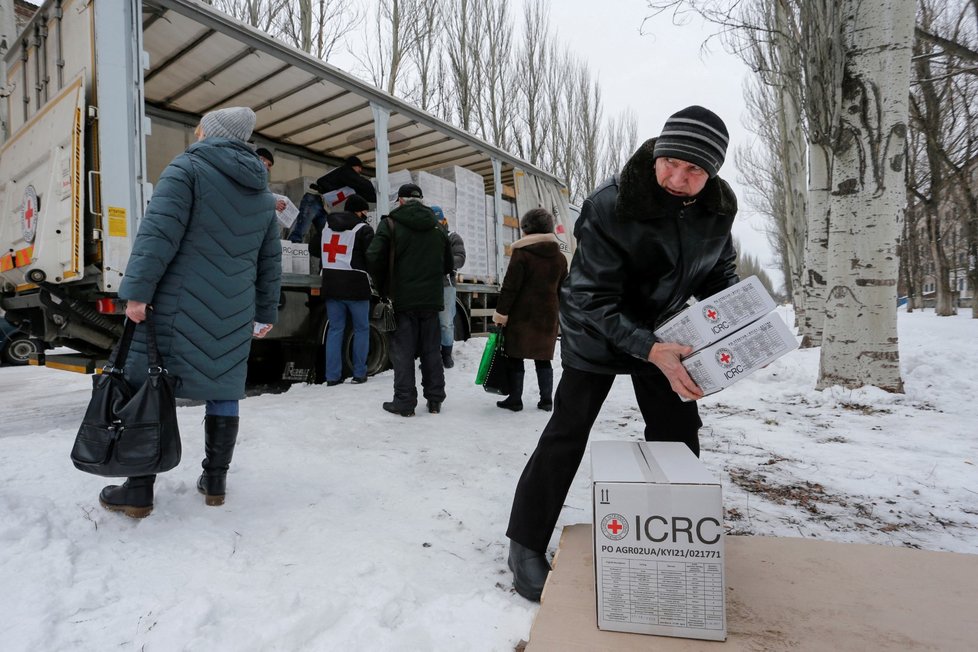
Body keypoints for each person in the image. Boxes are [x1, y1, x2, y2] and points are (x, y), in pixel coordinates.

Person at [505, 106, 738, 601]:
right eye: (670, 161)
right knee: (568, 431)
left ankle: (678, 537)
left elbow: (718, 271)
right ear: (656, 153)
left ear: (712, 174)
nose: (677, 177)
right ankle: (524, 541)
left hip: (666, 334)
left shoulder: (720, 207)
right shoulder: (611, 204)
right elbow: (590, 296)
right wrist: (648, 347)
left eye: (693, 170)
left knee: (678, 432)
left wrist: (735, 324)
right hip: (598, 331)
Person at [99, 106, 282, 519]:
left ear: (210, 131)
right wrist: (264, 310)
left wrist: (137, 293)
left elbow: (158, 235)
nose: (196, 131)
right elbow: (269, 259)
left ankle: (139, 490)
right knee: (224, 388)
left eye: (201, 126)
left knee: (149, 386)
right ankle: (215, 481)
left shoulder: (187, 169)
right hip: (233, 309)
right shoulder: (261, 190)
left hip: (178, 305)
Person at [366, 183, 452, 417]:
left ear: (401, 201)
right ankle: (435, 400)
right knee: (431, 351)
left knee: (402, 352)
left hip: (401, 300)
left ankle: (404, 402)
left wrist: (383, 283)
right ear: (421, 200)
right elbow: (449, 264)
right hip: (431, 301)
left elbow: (373, 257)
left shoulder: (390, 224)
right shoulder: (437, 226)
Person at [491, 208, 568, 412]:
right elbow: (564, 289)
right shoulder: (560, 258)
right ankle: (546, 401)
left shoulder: (522, 255)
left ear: (527, 229)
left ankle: (515, 399)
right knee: (543, 359)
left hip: (521, 317)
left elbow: (510, 287)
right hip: (547, 317)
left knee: (516, 357)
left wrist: (501, 314)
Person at [320, 195, 375, 386]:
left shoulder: (326, 226)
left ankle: (332, 377)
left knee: (335, 330)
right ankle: (359, 374)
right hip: (356, 286)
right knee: (361, 329)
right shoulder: (363, 229)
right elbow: (373, 256)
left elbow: (313, 248)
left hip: (331, 284)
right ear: (360, 211)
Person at [289, 155, 377, 243]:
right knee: (301, 230)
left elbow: (364, 193)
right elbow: (360, 182)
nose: (360, 171)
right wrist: (373, 184)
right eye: (359, 168)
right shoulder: (345, 171)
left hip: (324, 206)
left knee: (326, 234)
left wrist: (380, 197)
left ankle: (320, 254)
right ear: (353, 166)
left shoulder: (351, 183)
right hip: (314, 199)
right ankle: (291, 250)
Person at [433, 206, 466, 369]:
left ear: (443, 220)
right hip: (428, 285)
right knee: (430, 322)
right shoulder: (427, 238)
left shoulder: (452, 237)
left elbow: (460, 258)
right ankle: (431, 353)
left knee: (446, 322)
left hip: (446, 285)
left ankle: (446, 354)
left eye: (438, 221)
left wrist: (441, 262)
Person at [256, 147, 287, 213]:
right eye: (269, 165)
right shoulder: (250, 177)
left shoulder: (259, 179)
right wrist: (273, 204)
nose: (269, 170)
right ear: (261, 159)